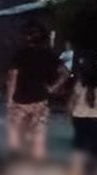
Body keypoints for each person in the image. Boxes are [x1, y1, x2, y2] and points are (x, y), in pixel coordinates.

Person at [5, 21, 68, 161]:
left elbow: (12, 79)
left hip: (20, 100)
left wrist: (9, 101)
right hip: (41, 99)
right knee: (38, 136)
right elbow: (65, 73)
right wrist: (52, 89)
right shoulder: (49, 55)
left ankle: (15, 163)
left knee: (15, 132)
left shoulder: (20, 54)